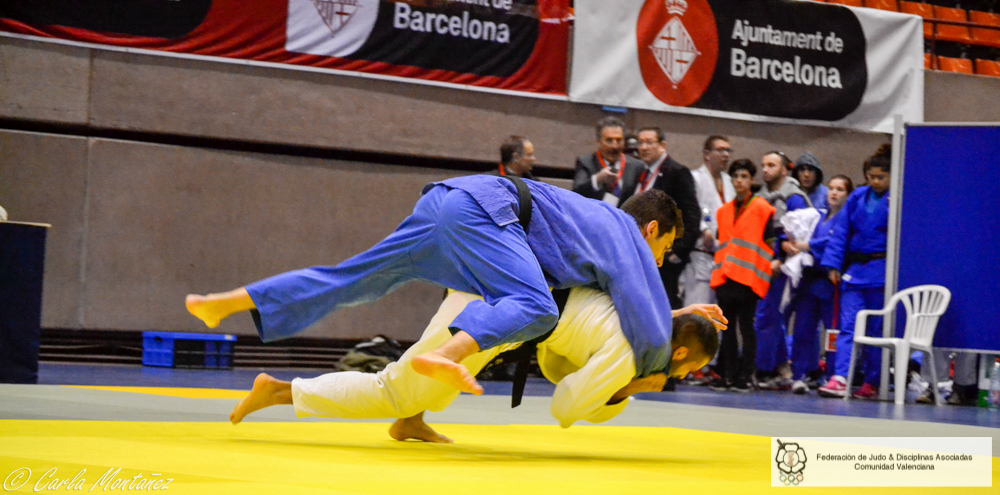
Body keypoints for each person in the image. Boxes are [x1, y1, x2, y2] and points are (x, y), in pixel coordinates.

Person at [187, 177, 694, 396]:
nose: (659, 260)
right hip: (488, 213)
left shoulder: (593, 222)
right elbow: (644, 315)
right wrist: (657, 370)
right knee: (538, 308)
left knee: (352, 280)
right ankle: (447, 354)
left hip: (450, 200)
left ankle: (225, 302)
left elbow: (622, 304)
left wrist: (673, 315)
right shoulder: (625, 233)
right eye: (665, 248)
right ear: (652, 229)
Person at [227, 288, 721, 441]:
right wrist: (632, 388)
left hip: (500, 300)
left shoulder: (645, 306)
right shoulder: (631, 354)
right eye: (688, 368)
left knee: (437, 382)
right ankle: (281, 390)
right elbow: (566, 407)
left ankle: (412, 421)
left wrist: (682, 314)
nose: (683, 377)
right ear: (678, 353)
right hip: (494, 311)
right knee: (393, 388)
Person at [817, 144, 892, 399]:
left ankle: (872, 381)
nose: (875, 182)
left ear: (891, 176)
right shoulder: (858, 196)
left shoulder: (897, 198)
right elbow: (841, 232)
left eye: (881, 177)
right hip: (855, 272)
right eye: (871, 176)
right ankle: (840, 377)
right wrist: (833, 264)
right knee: (847, 326)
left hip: (882, 272)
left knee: (876, 331)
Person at [781, 175, 854, 394]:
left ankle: (832, 376)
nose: (834, 193)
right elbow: (795, 232)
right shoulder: (816, 217)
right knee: (802, 330)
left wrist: (808, 245)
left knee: (832, 333)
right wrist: (791, 243)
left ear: (848, 195)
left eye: (840, 189)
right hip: (809, 282)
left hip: (830, 284)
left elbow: (834, 243)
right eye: (831, 188)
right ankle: (799, 375)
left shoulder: (847, 220)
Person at [708, 159, 776, 393]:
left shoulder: (763, 208)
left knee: (746, 327)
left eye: (744, 176)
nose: (739, 181)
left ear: (752, 180)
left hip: (748, 279)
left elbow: (769, 245)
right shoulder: (723, 211)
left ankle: (746, 376)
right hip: (725, 277)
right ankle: (728, 375)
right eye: (736, 176)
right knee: (726, 328)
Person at [754, 151, 812, 390]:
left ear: (784, 170)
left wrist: (779, 255)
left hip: (785, 267)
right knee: (769, 317)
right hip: (762, 263)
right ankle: (780, 366)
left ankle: (765, 369)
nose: (765, 169)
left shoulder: (794, 197)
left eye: (771, 165)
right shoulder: (759, 197)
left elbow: (799, 234)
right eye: (763, 165)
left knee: (768, 316)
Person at [635, 126, 701, 310]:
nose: (644, 147)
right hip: (641, 253)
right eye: (640, 143)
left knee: (665, 306)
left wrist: (678, 251)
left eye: (649, 142)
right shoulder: (641, 173)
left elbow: (692, 214)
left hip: (664, 258)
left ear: (662, 145)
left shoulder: (677, 172)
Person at [682, 135, 736, 308]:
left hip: (725, 256)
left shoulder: (730, 182)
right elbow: (689, 210)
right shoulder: (694, 178)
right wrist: (703, 229)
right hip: (701, 253)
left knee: (717, 313)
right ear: (707, 154)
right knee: (697, 309)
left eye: (728, 150)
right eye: (720, 150)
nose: (725, 155)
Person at [572, 116, 646, 206]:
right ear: (598, 141)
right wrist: (597, 179)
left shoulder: (636, 166)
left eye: (619, 140)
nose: (614, 146)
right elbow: (576, 192)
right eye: (609, 140)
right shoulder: (586, 162)